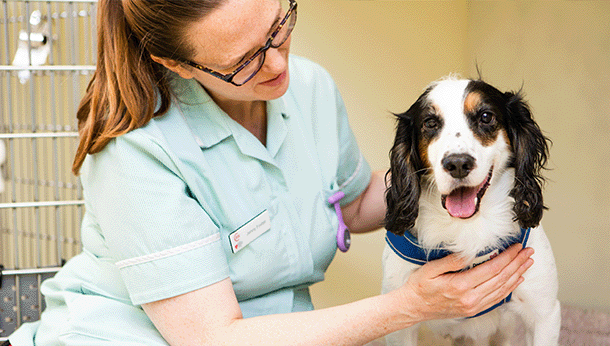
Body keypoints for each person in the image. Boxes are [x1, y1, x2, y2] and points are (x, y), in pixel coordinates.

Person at [7, 0, 534, 345]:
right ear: (180, 66)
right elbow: (212, 338)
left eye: (279, 27)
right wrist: (409, 305)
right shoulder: (134, 149)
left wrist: (447, 163)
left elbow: (350, 203)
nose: (278, 65)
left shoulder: (308, 87)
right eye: (244, 61)